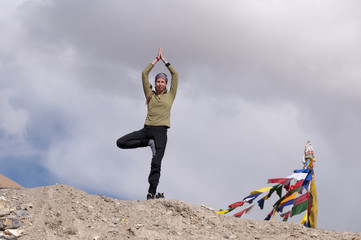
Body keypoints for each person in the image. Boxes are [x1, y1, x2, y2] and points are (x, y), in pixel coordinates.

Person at [116, 47, 178, 200]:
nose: (160, 84)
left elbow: (175, 74)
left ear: (166, 84)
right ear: (155, 83)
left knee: (156, 163)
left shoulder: (170, 95)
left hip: (161, 133)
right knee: (120, 142)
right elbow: (144, 74)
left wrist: (165, 61)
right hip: (147, 130)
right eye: (158, 81)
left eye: (163, 82)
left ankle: (151, 192)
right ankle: (146, 142)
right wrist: (155, 60)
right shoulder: (149, 94)